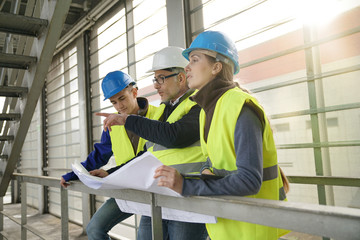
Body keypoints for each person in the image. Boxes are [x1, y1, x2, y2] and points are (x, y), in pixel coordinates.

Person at [153, 31, 290, 240]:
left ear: (216, 67)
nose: (187, 67)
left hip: (251, 230)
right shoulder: (209, 110)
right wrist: (207, 169)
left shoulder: (239, 106)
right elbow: (219, 161)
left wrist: (186, 185)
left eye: (194, 60)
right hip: (226, 227)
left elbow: (249, 181)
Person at [97, 46, 208, 240]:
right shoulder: (166, 110)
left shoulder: (199, 103)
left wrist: (127, 120)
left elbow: (175, 135)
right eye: (155, 79)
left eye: (160, 79)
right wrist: (109, 173)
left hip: (187, 198)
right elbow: (148, 154)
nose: (156, 85)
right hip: (158, 196)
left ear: (181, 78)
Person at [60, 70, 160, 240]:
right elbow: (99, 156)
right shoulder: (113, 124)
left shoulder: (158, 116)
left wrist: (110, 173)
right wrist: (73, 174)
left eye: (122, 98)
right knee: (94, 229)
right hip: (127, 187)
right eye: (114, 102)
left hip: (154, 189)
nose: (119, 106)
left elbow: (151, 153)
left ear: (134, 92)